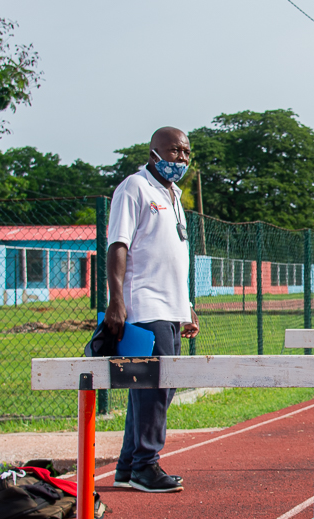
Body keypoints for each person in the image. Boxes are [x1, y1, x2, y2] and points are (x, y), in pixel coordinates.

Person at [104, 126, 200, 493]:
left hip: (171, 307)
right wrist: (117, 301)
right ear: (154, 151)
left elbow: (174, 256)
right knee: (156, 387)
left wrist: (186, 306)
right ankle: (146, 463)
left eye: (186, 153)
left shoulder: (173, 195)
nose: (182, 159)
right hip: (145, 305)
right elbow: (118, 245)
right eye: (175, 151)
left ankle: (129, 467)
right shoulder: (134, 188)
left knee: (156, 387)